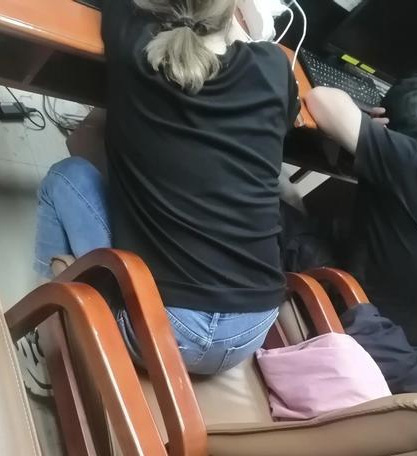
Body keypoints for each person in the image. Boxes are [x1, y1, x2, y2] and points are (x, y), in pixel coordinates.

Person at [23, 0, 299, 394]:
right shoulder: (274, 66)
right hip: (250, 329)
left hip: (162, 329)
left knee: (67, 176)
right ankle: (79, 286)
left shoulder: (131, 40)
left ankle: (46, 334)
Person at [291, 72, 417, 351]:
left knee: (263, 195)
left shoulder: (411, 163)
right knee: (315, 209)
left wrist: (368, 125)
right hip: (399, 343)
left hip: (351, 321)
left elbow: (320, 99)